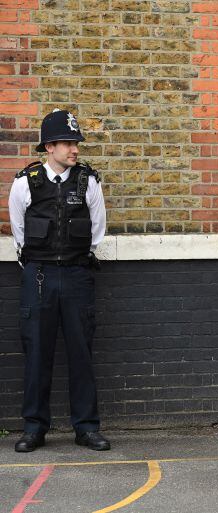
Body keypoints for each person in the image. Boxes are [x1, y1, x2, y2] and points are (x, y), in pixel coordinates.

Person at [8, 109, 110, 452]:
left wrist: (74, 261)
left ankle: (86, 427)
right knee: (37, 353)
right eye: (68, 143)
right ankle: (34, 428)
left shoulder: (88, 182)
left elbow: (97, 231)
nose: (75, 149)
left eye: (76, 142)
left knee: (81, 353)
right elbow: (19, 233)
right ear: (49, 146)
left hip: (78, 275)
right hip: (39, 277)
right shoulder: (26, 182)